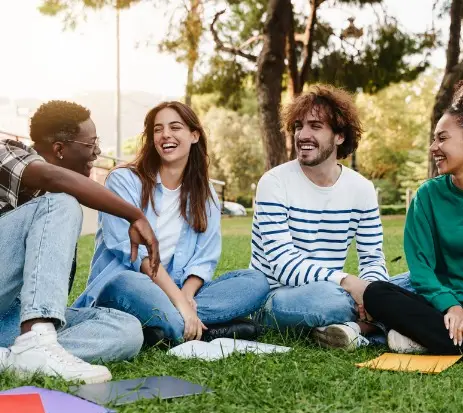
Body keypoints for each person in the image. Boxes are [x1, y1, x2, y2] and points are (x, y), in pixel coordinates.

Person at [74, 101, 270, 345]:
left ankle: (163, 329)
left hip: (175, 292)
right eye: (158, 129)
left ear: (194, 135)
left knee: (255, 282)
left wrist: (186, 297)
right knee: (128, 283)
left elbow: (205, 258)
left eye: (175, 127)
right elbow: (133, 255)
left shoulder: (205, 192)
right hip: (129, 288)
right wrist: (179, 302)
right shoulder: (123, 180)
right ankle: (201, 331)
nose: (165, 134)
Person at [0, 100, 160, 383]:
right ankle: (34, 341)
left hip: (11, 318)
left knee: (126, 329)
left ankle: (17, 356)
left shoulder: (51, 213)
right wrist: (135, 215)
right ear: (60, 149)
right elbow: (52, 176)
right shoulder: (7, 152)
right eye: (91, 144)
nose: (98, 152)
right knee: (62, 202)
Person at [363, 70, 463, 364]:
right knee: (376, 293)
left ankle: (432, 340)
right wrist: (451, 307)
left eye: (442, 138)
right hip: (442, 307)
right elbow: (421, 270)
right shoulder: (427, 196)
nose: (433, 148)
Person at [251, 84, 389, 350]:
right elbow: (282, 264)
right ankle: (380, 325)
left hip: (334, 288)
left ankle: (350, 329)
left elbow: (372, 257)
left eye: (315, 126)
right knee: (330, 300)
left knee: (411, 283)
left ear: (339, 136)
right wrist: (349, 284)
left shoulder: (361, 188)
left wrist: (370, 291)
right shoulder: (274, 182)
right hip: (277, 297)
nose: (302, 135)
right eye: (298, 126)